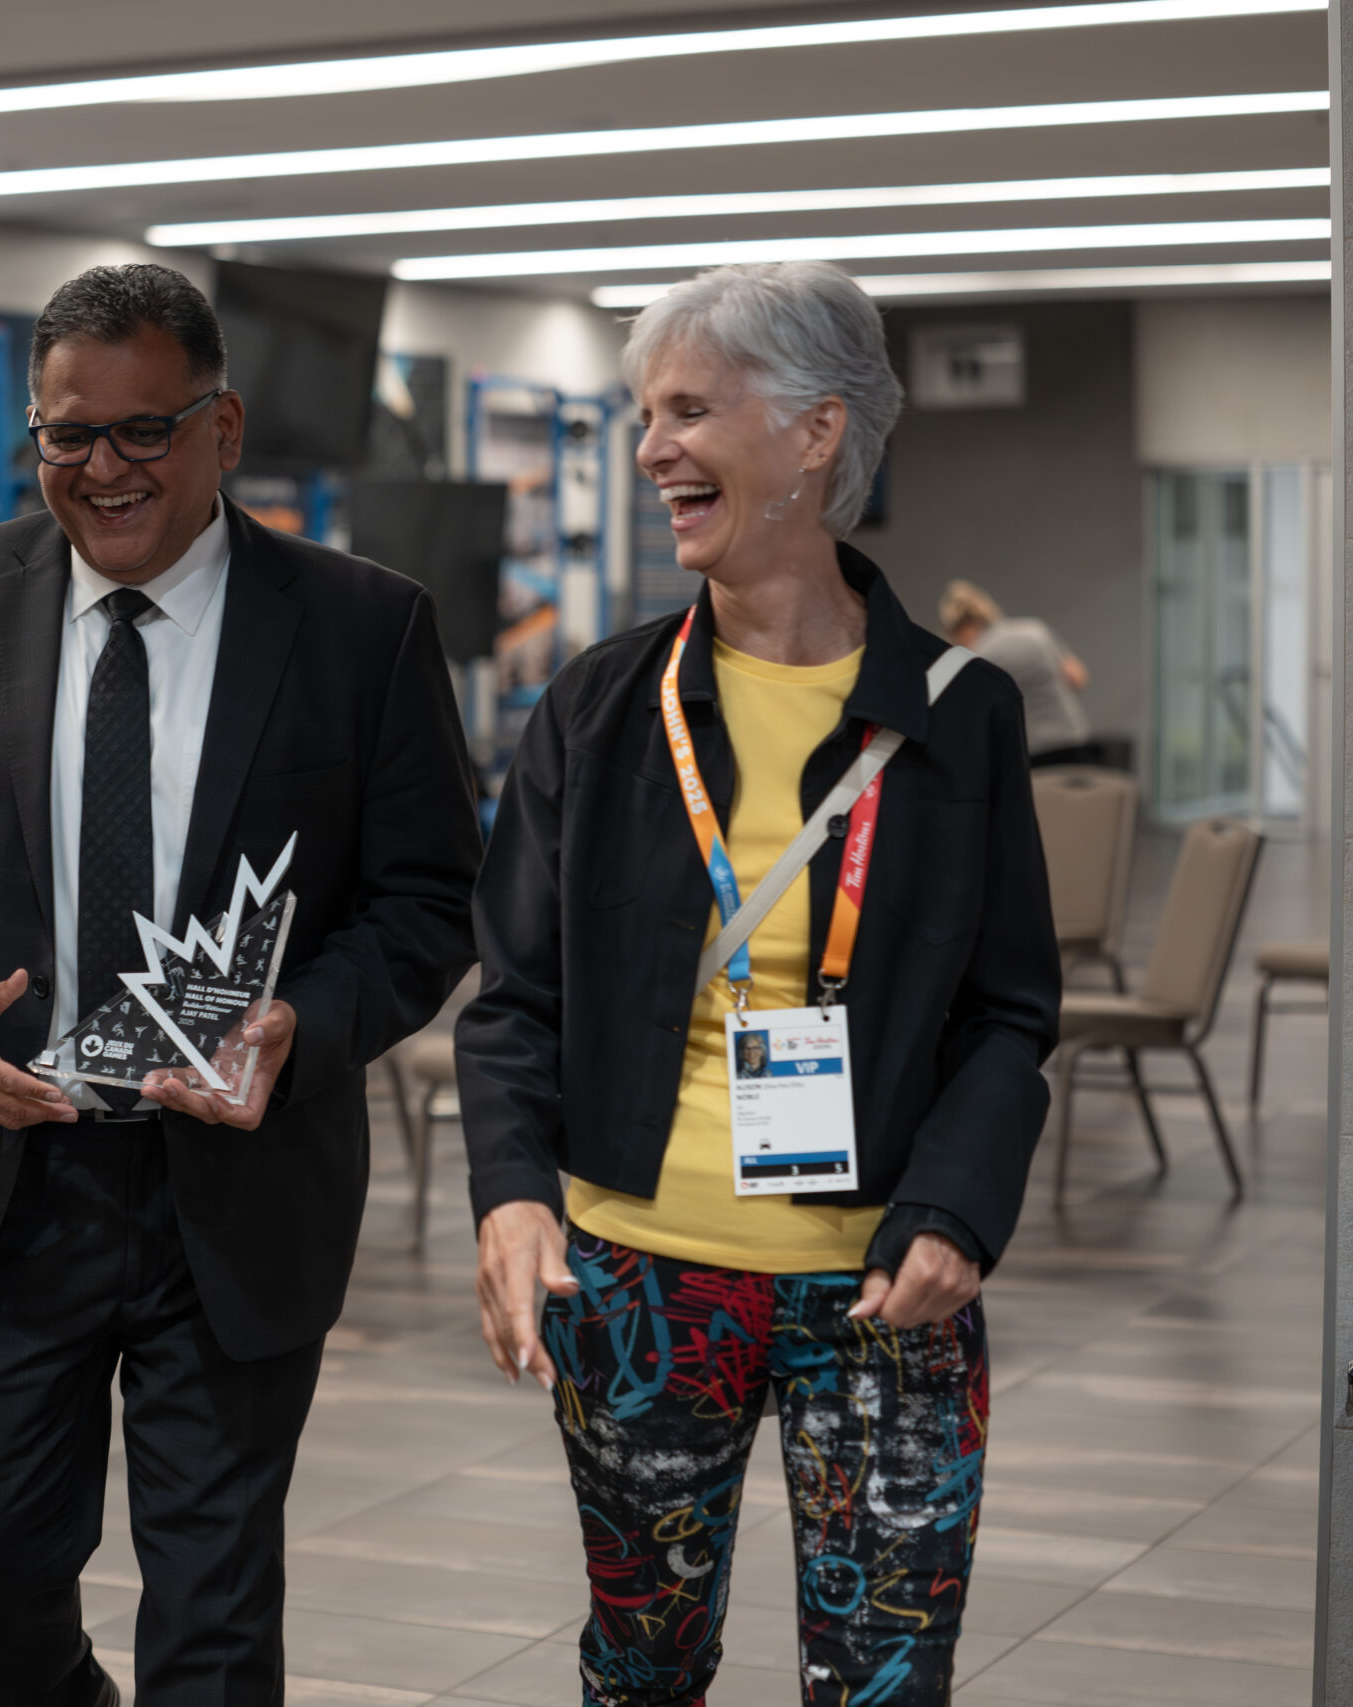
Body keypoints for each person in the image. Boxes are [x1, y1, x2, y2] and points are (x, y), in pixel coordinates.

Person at [0, 263, 482, 1707]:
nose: (101, 469)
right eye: (65, 436)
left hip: (233, 1185)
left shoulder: (364, 629)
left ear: (223, 427)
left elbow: (430, 902)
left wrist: (304, 1023)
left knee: (216, 1601)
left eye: (142, 431)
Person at [459, 262, 1059, 1705]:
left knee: (884, 1678)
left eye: (688, 409)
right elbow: (513, 997)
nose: (652, 446)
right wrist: (512, 1190)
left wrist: (957, 1208)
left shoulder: (959, 712)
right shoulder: (603, 707)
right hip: (641, 1276)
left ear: (814, 432)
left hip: (884, 1296)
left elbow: (1008, 1011)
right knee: (641, 1670)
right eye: (639, 413)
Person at [940, 578, 1100, 766]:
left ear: (960, 630)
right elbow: (1077, 678)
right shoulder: (1036, 630)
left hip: (1029, 753)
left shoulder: (978, 657)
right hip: (1073, 740)